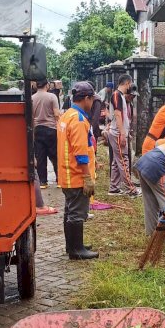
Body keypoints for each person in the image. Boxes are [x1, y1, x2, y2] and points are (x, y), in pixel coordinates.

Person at [57, 81, 99, 260]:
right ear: (87, 98)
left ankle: (73, 246)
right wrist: (87, 177)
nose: (92, 103)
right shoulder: (79, 120)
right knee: (76, 214)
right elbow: (81, 153)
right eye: (92, 99)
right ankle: (76, 250)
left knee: (70, 211)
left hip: (66, 174)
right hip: (76, 175)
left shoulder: (67, 115)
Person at [135, 140, 165, 235]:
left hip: (144, 161)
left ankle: (150, 232)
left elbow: (158, 142)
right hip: (158, 167)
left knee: (150, 202)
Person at [107, 74, 141, 197]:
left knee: (117, 162)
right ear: (127, 83)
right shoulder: (117, 95)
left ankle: (114, 188)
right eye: (130, 84)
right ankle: (131, 189)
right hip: (117, 133)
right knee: (123, 161)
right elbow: (117, 114)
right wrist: (122, 134)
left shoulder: (120, 96)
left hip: (118, 133)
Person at [32, 78, 61, 188]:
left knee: (41, 156)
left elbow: (30, 117)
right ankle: (59, 180)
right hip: (51, 129)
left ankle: (43, 182)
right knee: (55, 156)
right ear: (47, 85)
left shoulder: (32, 98)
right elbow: (57, 114)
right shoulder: (52, 96)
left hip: (38, 129)